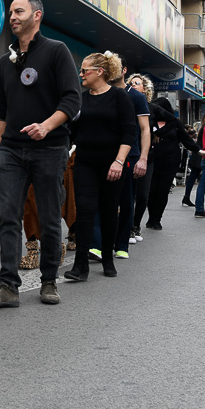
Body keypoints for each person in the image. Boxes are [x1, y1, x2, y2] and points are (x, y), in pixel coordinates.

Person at [0, 0, 81, 308]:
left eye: (19, 11)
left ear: (37, 15)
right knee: (9, 216)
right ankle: (8, 286)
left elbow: (72, 99)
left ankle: (49, 281)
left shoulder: (56, 52)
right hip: (11, 150)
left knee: (50, 217)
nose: (12, 17)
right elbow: (2, 114)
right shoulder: (4, 62)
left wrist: (47, 126)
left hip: (50, 148)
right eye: (10, 12)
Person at [63, 52, 135, 282]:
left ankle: (107, 258)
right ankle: (80, 265)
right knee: (84, 210)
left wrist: (119, 161)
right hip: (85, 161)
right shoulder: (81, 99)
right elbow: (71, 132)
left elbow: (129, 131)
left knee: (108, 211)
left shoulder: (119, 97)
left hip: (112, 163)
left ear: (100, 72)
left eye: (85, 70)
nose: (81, 74)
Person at [89, 58, 149, 261]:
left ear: (123, 70)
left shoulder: (136, 97)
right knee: (98, 200)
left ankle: (122, 244)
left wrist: (143, 158)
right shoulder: (98, 93)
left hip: (129, 156)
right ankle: (96, 245)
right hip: (102, 154)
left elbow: (145, 129)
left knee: (124, 201)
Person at [144, 97, 199, 230]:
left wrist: (199, 150)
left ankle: (157, 219)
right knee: (151, 191)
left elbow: (186, 140)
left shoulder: (175, 123)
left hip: (170, 162)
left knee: (163, 191)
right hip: (152, 161)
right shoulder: (149, 121)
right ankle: (150, 218)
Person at [127, 72, 154, 243]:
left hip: (146, 157)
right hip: (129, 153)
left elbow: (176, 126)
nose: (133, 85)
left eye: (137, 83)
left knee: (142, 195)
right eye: (131, 83)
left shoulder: (152, 109)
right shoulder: (125, 103)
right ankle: (127, 229)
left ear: (144, 89)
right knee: (127, 195)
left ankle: (136, 225)